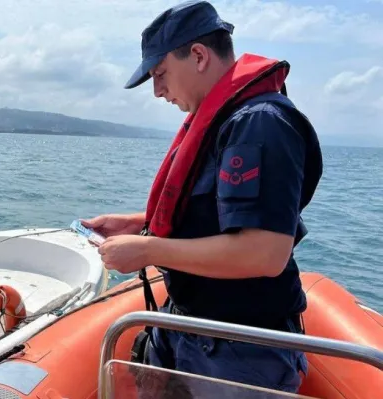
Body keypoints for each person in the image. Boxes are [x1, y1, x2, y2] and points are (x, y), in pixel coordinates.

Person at [82, 0, 323, 394]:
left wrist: (147, 251)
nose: (158, 91)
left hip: (239, 350)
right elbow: (214, 210)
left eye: (160, 74)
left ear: (197, 56)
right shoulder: (224, 120)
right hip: (188, 329)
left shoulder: (260, 123)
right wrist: (138, 223)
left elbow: (264, 252)